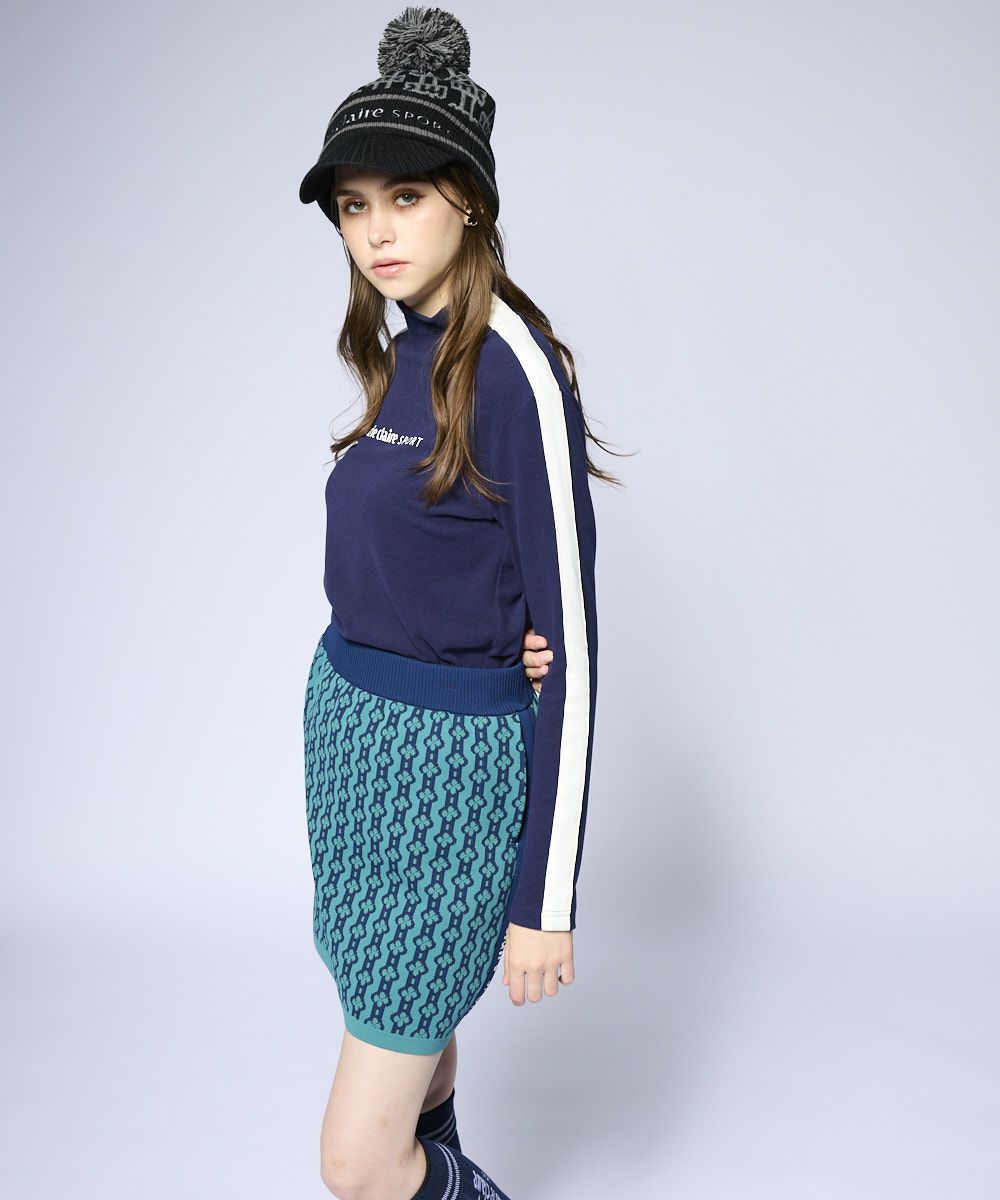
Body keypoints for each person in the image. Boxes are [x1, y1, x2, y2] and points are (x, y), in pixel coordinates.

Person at [297, 8, 621, 1198]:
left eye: (406, 197)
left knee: (357, 1160)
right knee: (413, 1062)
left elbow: (570, 645)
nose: (376, 231)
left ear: (469, 202)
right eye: (353, 205)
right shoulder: (406, 350)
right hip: (354, 748)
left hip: (444, 779)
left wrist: (545, 898)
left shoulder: (515, 368)